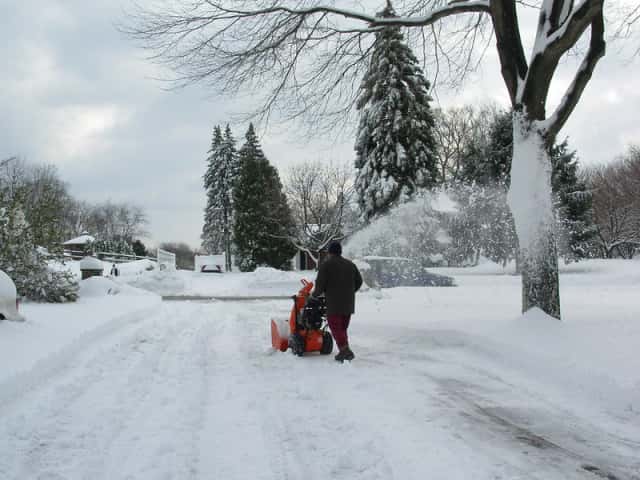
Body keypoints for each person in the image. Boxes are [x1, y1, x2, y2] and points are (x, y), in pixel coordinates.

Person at [312, 240, 363, 362]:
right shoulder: (350, 264)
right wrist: (349, 292)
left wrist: (314, 296)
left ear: (330, 252)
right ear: (340, 251)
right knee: (342, 328)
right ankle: (344, 350)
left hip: (334, 304)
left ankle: (345, 351)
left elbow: (320, 284)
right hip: (349, 303)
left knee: (335, 327)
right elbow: (359, 281)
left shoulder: (326, 265)